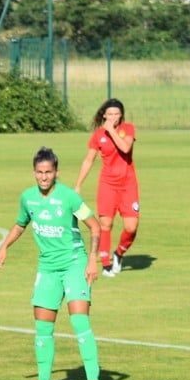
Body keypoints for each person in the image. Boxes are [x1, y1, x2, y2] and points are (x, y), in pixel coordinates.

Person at [0, 147, 104, 380]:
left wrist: (92, 261)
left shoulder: (69, 198)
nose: (44, 177)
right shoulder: (28, 198)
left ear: (56, 173)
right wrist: (4, 246)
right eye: (40, 172)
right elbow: (21, 224)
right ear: (34, 172)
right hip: (47, 269)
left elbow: (94, 226)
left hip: (74, 265)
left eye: (49, 172)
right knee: (43, 328)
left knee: (80, 322)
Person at [73, 98, 139, 277]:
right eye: (110, 114)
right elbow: (88, 160)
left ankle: (119, 253)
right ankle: (106, 264)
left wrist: (112, 131)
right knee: (105, 224)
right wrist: (78, 185)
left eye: (117, 114)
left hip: (128, 184)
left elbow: (125, 148)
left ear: (121, 115)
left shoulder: (128, 129)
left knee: (131, 226)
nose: (113, 118)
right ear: (104, 115)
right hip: (107, 185)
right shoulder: (98, 136)